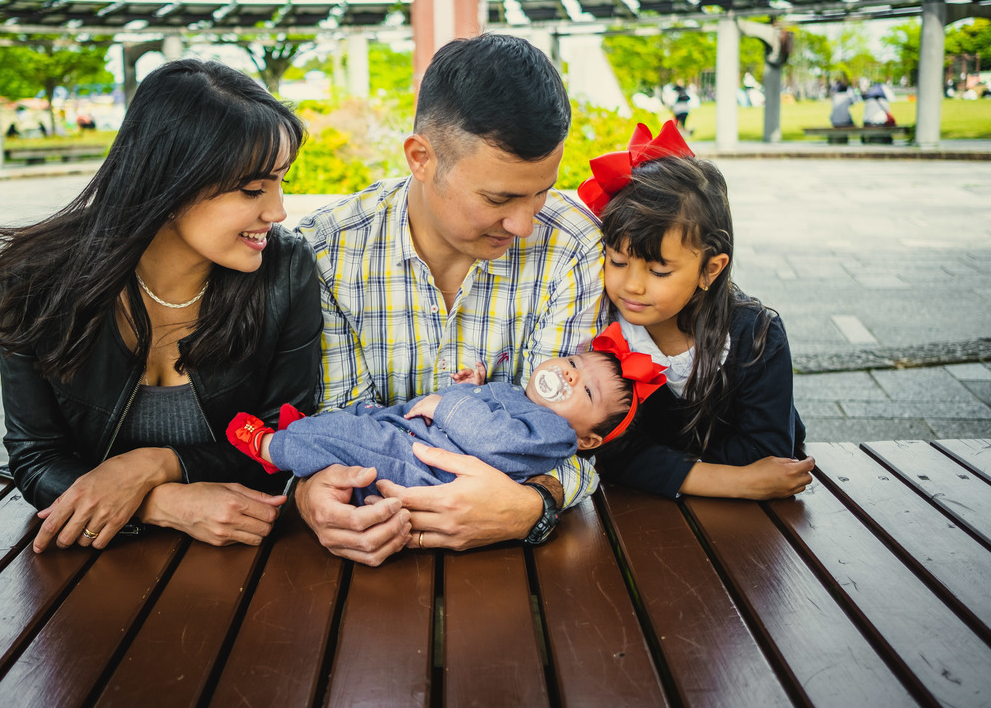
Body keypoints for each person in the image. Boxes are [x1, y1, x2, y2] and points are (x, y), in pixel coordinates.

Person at [0, 59, 322, 553]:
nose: (277, 211)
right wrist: (163, 505)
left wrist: (153, 464)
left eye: (280, 182)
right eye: (253, 189)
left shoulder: (285, 267)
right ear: (172, 183)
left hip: (241, 560)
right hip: (91, 565)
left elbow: (283, 443)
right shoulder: (38, 276)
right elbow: (35, 457)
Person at [294, 34, 605, 565]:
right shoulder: (326, 253)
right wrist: (312, 491)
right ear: (421, 158)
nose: (525, 224)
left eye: (541, 192)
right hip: (367, 569)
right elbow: (335, 420)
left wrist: (533, 507)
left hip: (518, 566)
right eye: (499, 198)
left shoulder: (573, 248)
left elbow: (568, 434)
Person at [577, 120, 815, 500]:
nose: (632, 285)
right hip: (644, 515)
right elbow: (609, 450)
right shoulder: (602, 328)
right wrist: (734, 480)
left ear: (710, 269)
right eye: (618, 262)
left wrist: (658, 464)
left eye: (658, 270)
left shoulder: (755, 335)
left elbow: (768, 454)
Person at [226, 324, 665, 503]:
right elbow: (492, 419)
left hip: (423, 469)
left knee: (355, 441)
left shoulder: (555, 434)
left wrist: (447, 403)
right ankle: (305, 431)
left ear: (587, 440)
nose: (568, 377)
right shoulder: (522, 397)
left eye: (585, 390)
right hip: (417, 440)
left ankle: (273, 444)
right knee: (363, 422)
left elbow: (497, 441)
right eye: (572, 365)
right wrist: (472, 389)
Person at [828, 77, 858, 144]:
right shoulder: (847, 97)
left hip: (834, 121)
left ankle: (842, 140)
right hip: (844, 121)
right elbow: (853, 103)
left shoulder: (835, 97)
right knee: (849, 120)